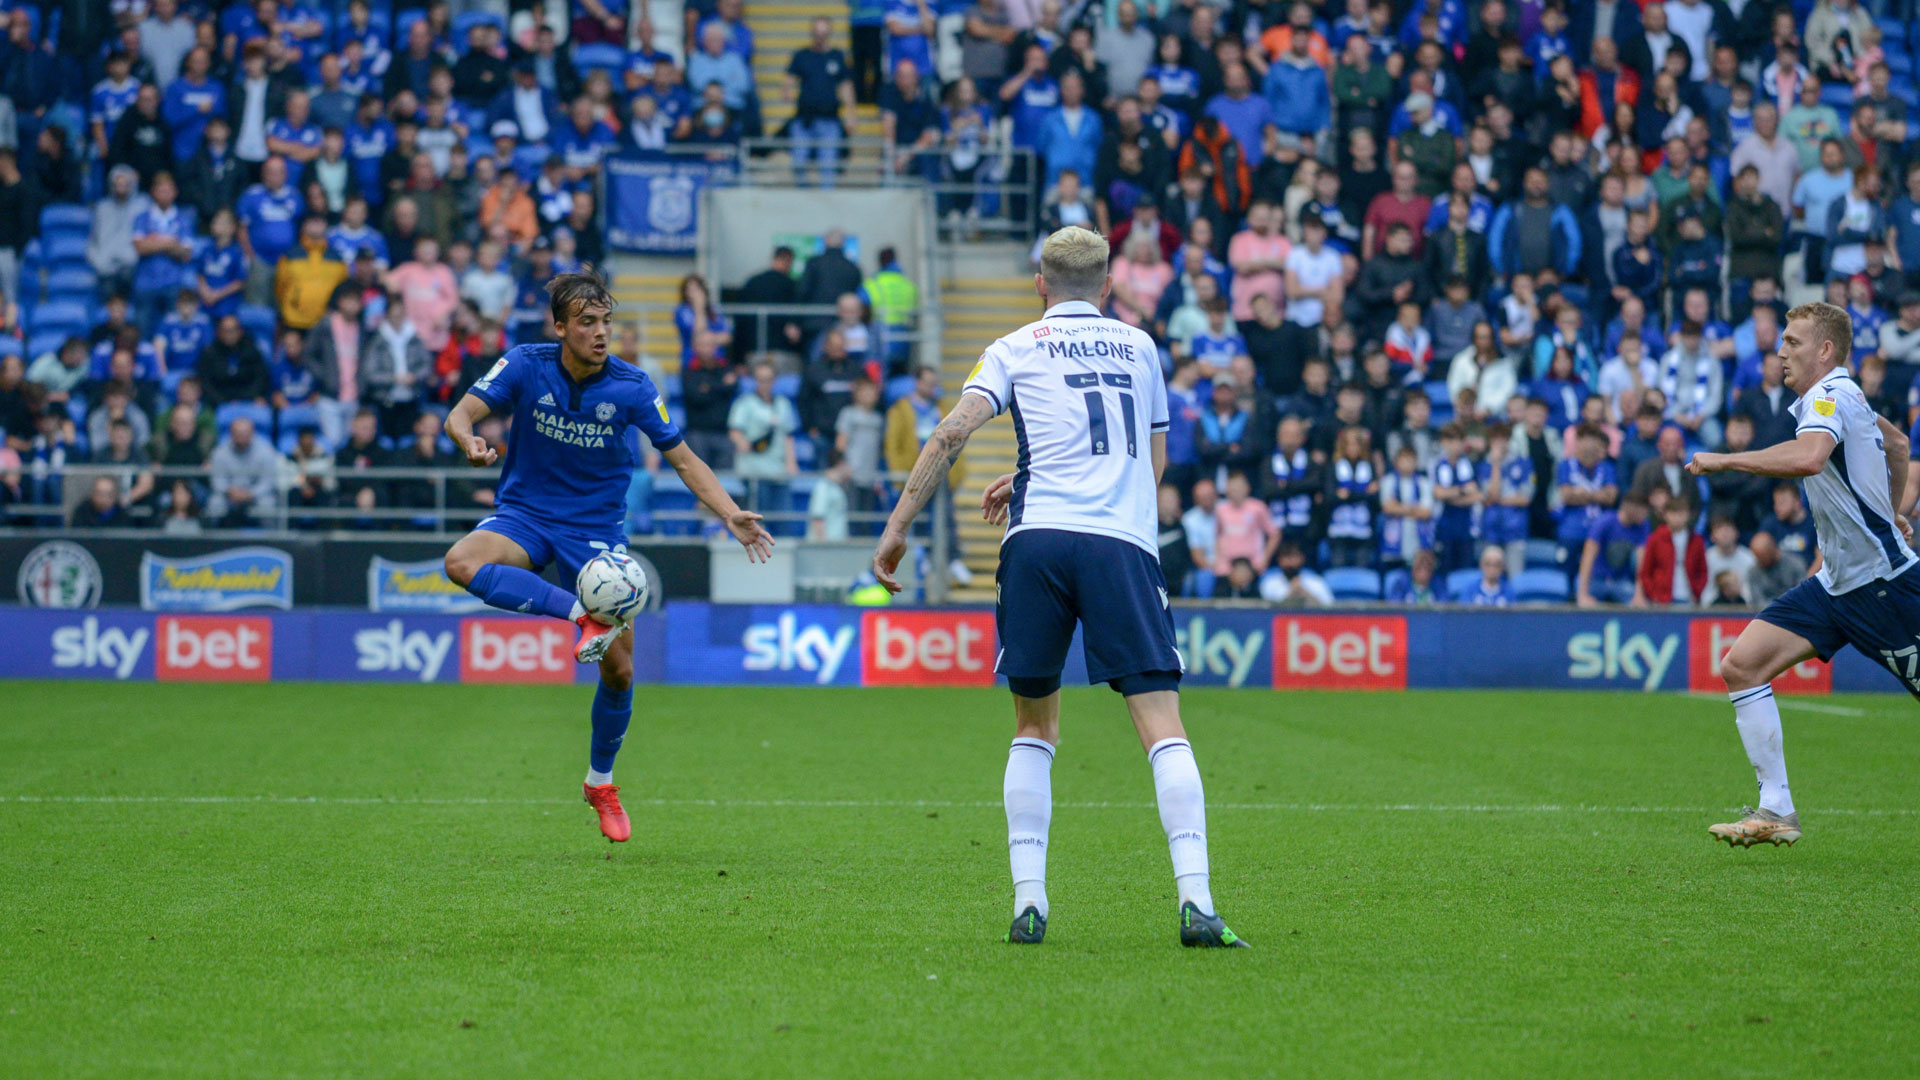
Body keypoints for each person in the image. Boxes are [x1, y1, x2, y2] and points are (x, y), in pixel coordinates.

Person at [872, 226, 1248, 948]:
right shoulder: (1142, 348)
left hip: (1037, 542)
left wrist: (897, 527)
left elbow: (949, 434)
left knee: (1034, 727)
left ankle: (1029, 905)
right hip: (1120, 544)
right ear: (1106, 286)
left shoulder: (1015, 346)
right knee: (1161, 726)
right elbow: (1153, 461)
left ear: (1039, 283)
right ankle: (1197, 903)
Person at [440, 271, 773, 844]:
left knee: (618, 669)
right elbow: (459, 414)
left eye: (606, 322)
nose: (600, 333)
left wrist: (729, 512)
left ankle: (600, 782)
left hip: (594, 535)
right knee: (461, 562)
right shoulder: (525, 363)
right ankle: (579, 616)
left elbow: (685, 460)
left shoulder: (634, 387)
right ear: (561, 326)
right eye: (588, 323)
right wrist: (468, 441)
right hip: (524, 515)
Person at [1685, 302, 1919, 847]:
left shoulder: (1829, 395)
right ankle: (1776, 810)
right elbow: (1899, 444)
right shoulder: (1844, 393)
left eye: (1792, 342)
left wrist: (1726, 459)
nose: (1781, 350)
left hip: (1885, 587)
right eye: (1782, 340)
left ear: (1826, 350)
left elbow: (1811, 457)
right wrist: (1891, 508)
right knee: (1741, 666)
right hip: (1836, 585)